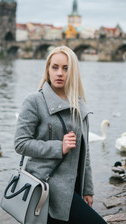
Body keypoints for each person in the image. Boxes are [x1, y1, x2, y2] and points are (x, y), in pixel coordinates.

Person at [14, 46, 107, 224]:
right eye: (55, 67)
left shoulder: (79, 105)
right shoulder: (34, 101)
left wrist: (88, 189)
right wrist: (59, 147)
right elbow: (21, 144)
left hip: (73, 189)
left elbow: (84, 152)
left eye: (66, 68)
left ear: (73, 72)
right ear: (47, 69)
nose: (60, 73)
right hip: (46, 189)